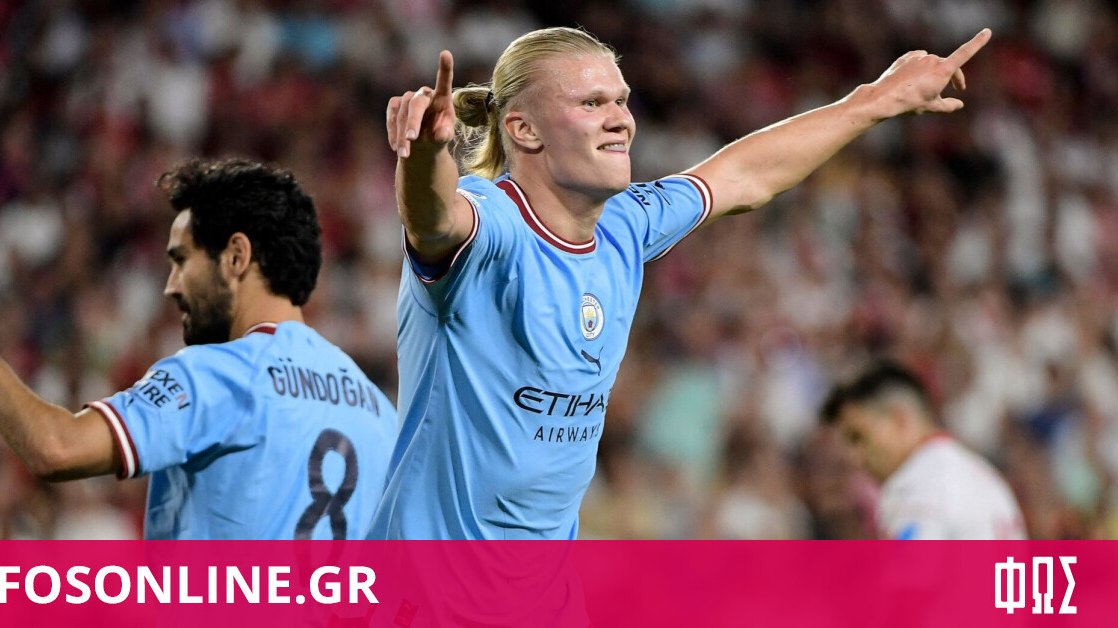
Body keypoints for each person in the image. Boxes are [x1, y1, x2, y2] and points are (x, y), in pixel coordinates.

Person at [369, 25, 993, 540]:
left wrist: (877, 100)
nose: (620, 120)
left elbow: (745, 177)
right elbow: (434, 218)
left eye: (621, 101)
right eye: (591, 104)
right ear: (523, 129)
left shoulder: (626, 224)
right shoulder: (497, 224)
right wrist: (424, 157)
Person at [0, 158, 398, 540]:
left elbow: (55, 447)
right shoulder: (379, 412)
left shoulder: (216, 375)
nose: (171, 286)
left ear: (236, 257)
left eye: (182, 260)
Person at [820, 361, 1026, 539]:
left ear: (899, 419)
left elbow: (913, 574)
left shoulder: (913, 487)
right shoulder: (987, 478)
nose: (855, 457)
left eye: (858, 437)